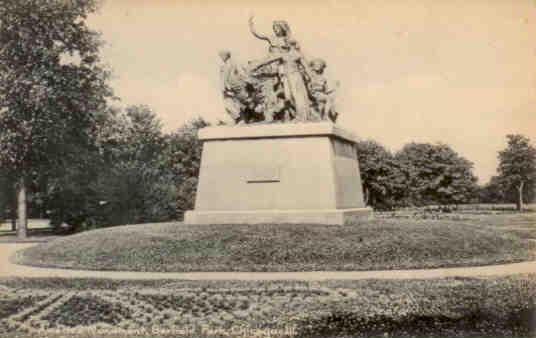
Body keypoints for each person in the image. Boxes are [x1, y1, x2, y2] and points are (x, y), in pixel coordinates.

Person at [218, 50, 250, 124]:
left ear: (226, 55)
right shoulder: (223, 66)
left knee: (240, 103)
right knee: (228, 105)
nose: (221, 57)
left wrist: (244, 82)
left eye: (222, 55)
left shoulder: (234, 63)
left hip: (236, 87)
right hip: (228, 89)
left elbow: (242, 74)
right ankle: (239, 119)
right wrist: (224, 87)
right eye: (220, 55)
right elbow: (223, 78)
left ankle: (242, 119)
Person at [308, 58, 339, 122]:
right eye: (318, 66)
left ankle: (326, 115)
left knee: (330, 99)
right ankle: (325, 115)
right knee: (328, 99)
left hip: (321, 94)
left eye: (321, 66)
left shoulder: (323, 78)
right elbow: (309, 86)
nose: (320, 69)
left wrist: (334, 89)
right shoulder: (311, 76)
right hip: (314, 94)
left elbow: (325, 90)